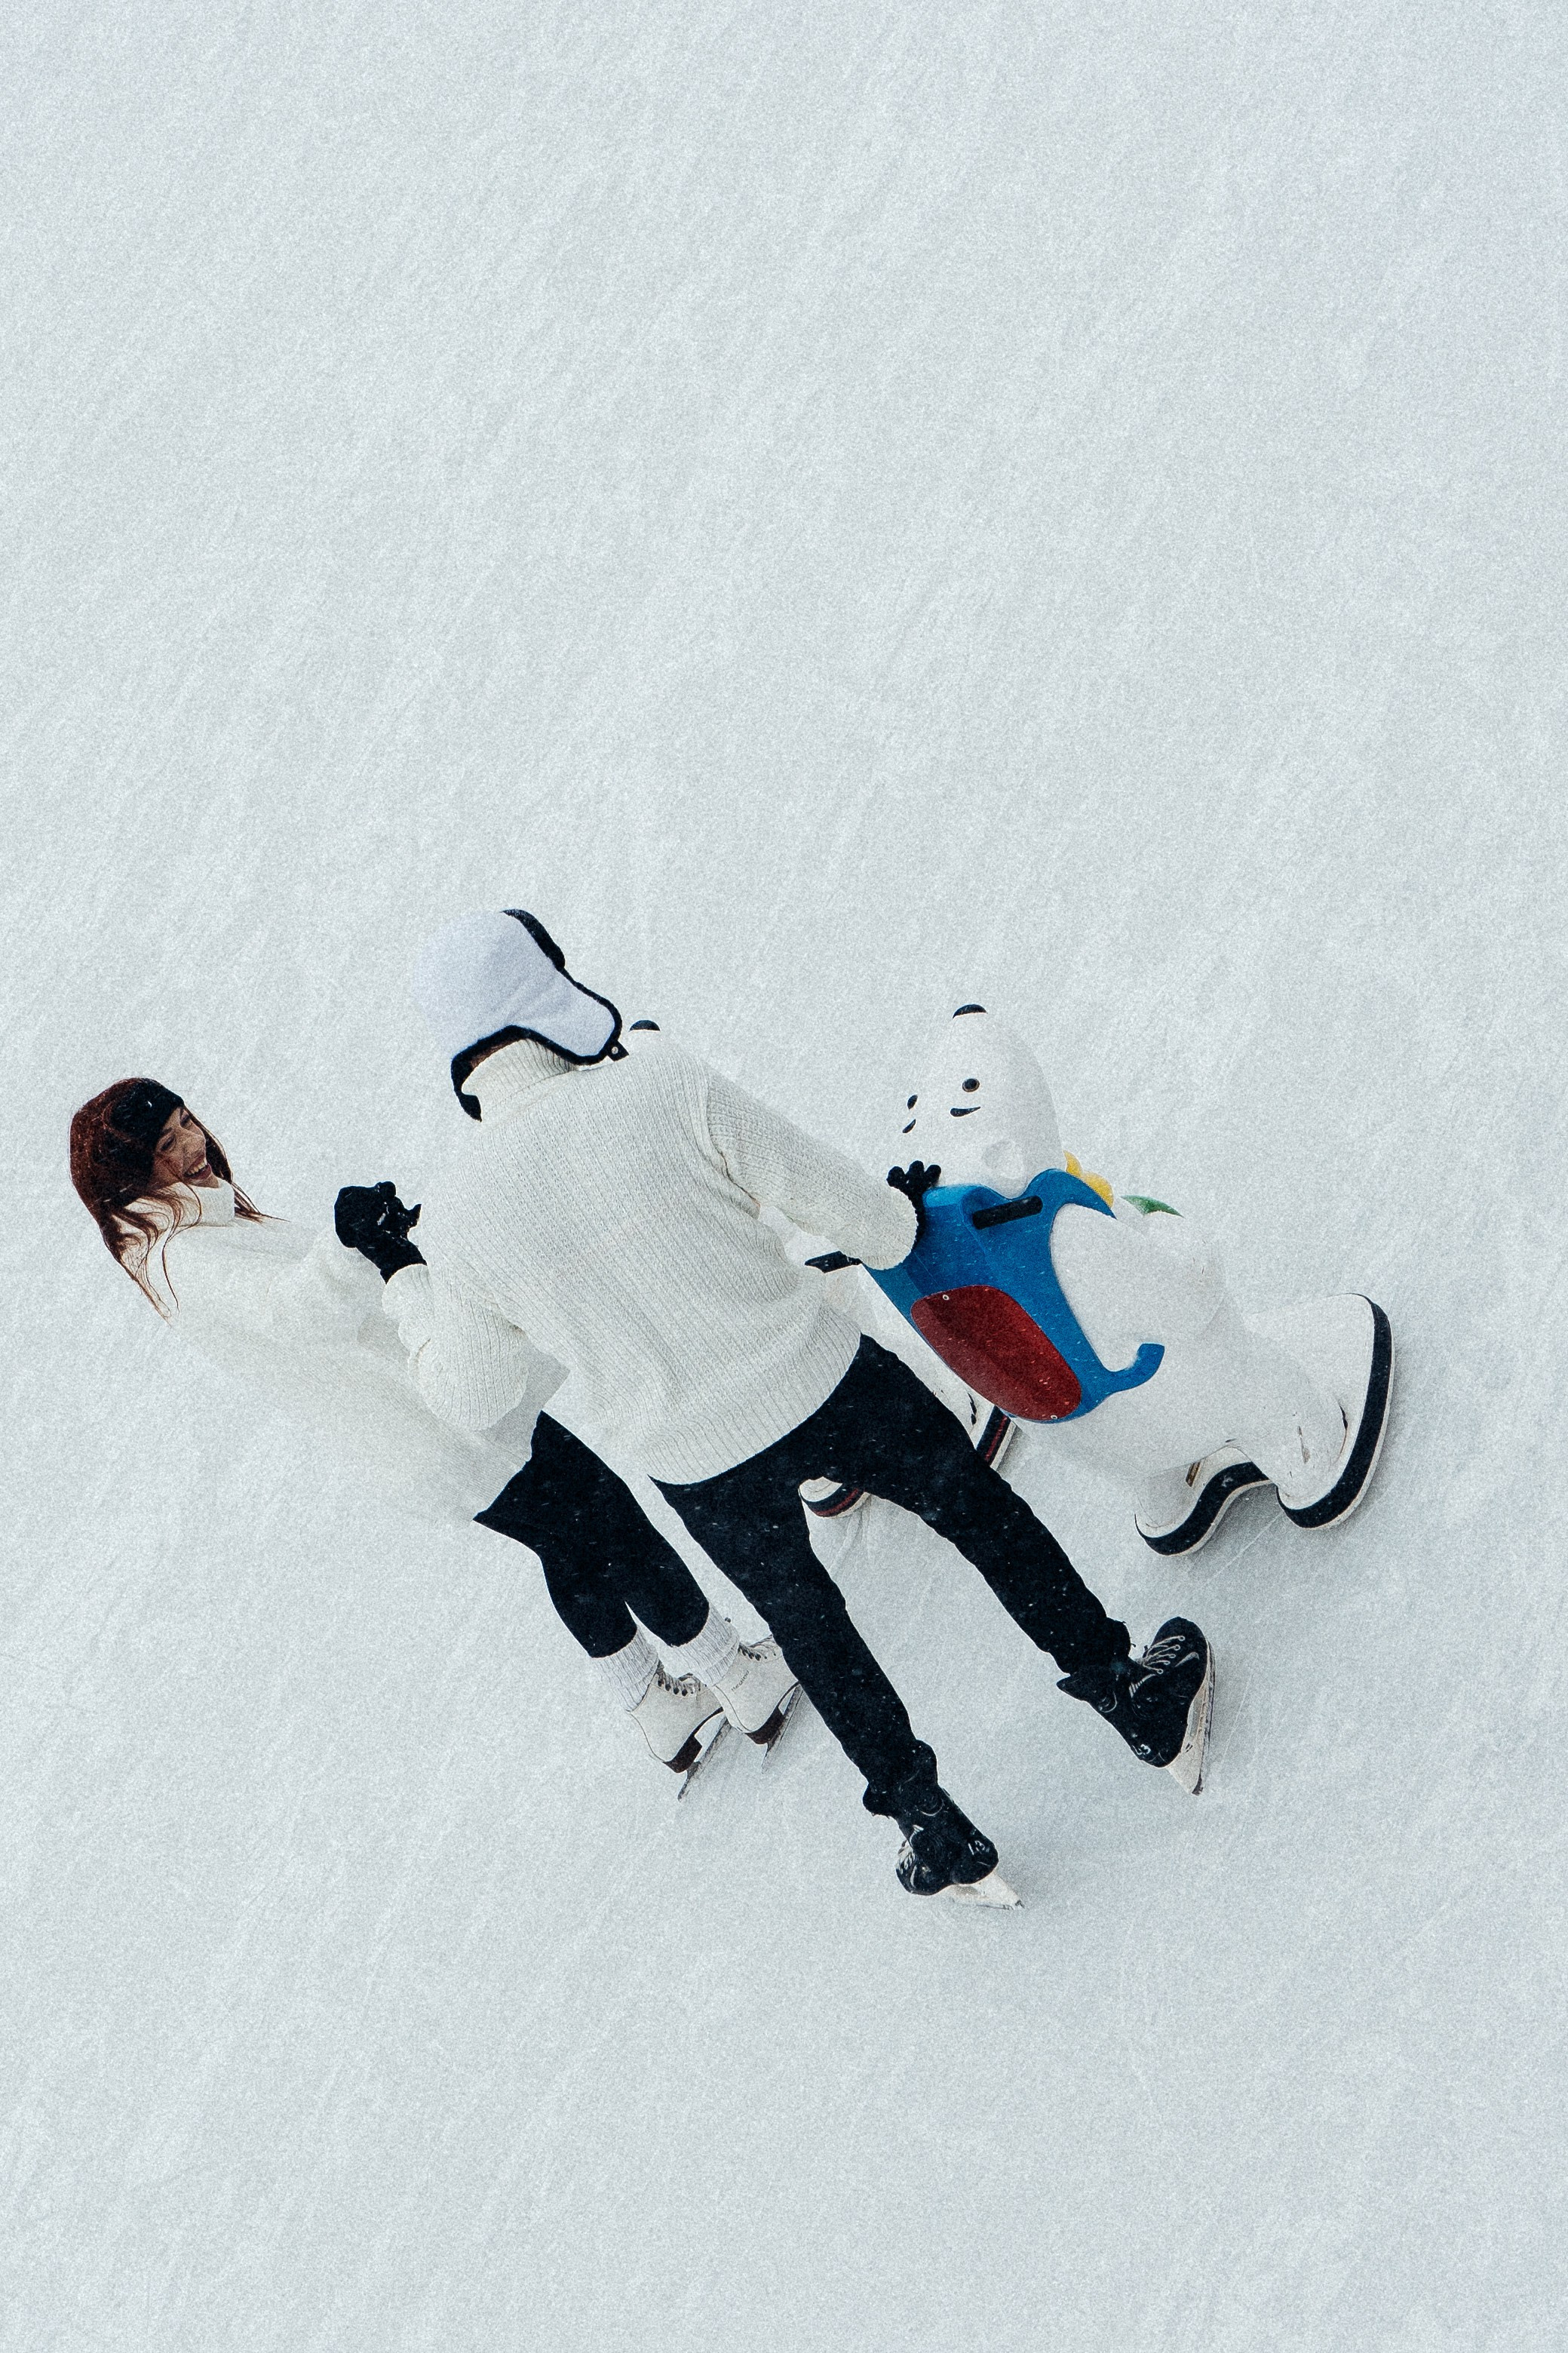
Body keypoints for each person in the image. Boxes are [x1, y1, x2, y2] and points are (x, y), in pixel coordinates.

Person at [346, 908, 1216, 1907]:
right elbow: (863, 1217)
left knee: (810, 1625)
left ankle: (931, 1828)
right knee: (981, 1516)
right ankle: (1130, 1694)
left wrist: (410, 1282)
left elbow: (473, 1393)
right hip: (823, 1377)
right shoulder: (659, 1083)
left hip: (697, 1462)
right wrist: (899, 1219)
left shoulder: (458, 1219)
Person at [67, 1075, 798, 1786]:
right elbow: (299, 1312)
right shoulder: (186, 1256)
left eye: (187, 1122)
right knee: (608, 1520)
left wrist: (379, 1244)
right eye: (165, 1145)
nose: (191, 1145)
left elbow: (312, 1303)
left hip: (424, 1424)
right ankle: (735, 1673)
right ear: (129, 1174)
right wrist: (350, 1244)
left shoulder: (191, 1231)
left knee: (573, 1544)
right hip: (436, 1416)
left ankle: (654, 1706)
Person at [870, 1006, 1394, 1555]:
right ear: (1004, 1152)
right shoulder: (1062, 1232)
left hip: (1090, 1440)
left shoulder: (914, 1262)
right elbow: (1186, 1296)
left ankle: (1164, 1492)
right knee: (1251, 1378)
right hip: (1185, 1398)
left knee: (1120, 1392)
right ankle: (1305, 1453)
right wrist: (1165, 1225)